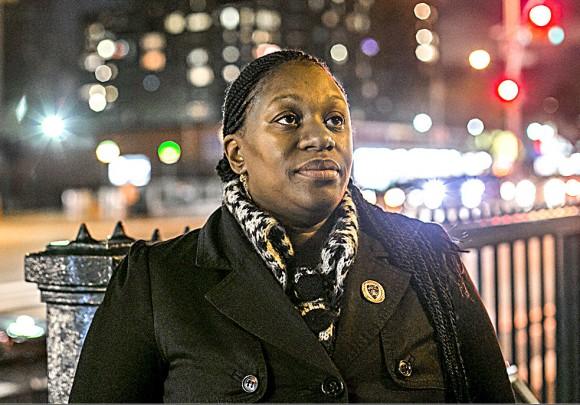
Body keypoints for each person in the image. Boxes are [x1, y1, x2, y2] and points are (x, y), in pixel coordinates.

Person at [69, 49, 515, 403]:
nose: (322, 136)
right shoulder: (159, 281)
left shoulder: (424, 255)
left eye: (335, 119)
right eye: (288, 119)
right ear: (237, 153)